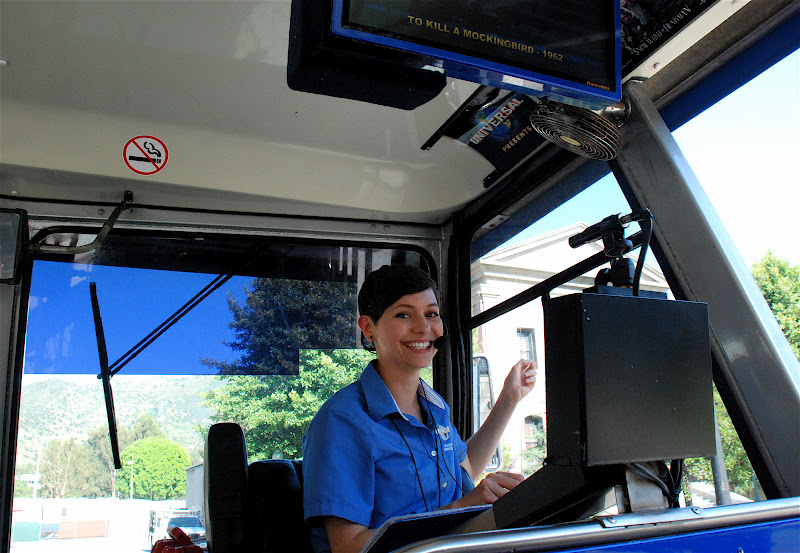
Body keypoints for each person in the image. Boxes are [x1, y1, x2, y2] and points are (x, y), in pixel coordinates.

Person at [302, 264, 537, 553]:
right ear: (368, 328)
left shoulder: (434, 406)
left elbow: (466, 469)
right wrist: (463, 507)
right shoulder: (342, 421)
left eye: (432, 314)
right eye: (403, 314)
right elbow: (349, 547)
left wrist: (509, 398)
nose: (423, 328)